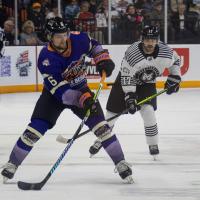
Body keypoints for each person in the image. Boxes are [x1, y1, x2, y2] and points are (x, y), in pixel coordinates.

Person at [1, 17, 133, 184]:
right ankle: (13, 163)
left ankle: (120, 162)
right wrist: (84, 99)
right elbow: (63, 93)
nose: (63, 39)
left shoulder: (78, 39)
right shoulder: (46, 59)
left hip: (80, 88)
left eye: (65, 34)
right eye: (58, 36)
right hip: (53, 96)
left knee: (102, 127)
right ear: (49, 37)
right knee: (34, 130)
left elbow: (94, 45)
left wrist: (102, 59)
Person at [89, 25, 181, 159]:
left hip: (147, 83)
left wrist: (175, 77)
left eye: (153, 40)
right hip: (125, 82)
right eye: (148, 40)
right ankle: (100, 139)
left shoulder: (166, 52)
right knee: (112, 115)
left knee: (148, 111)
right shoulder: (132, 53)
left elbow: (176, 60)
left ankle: (153, 143)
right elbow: (127, 77)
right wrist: (130, 97)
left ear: (157, 40)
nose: (150, 43)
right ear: (142, 39)